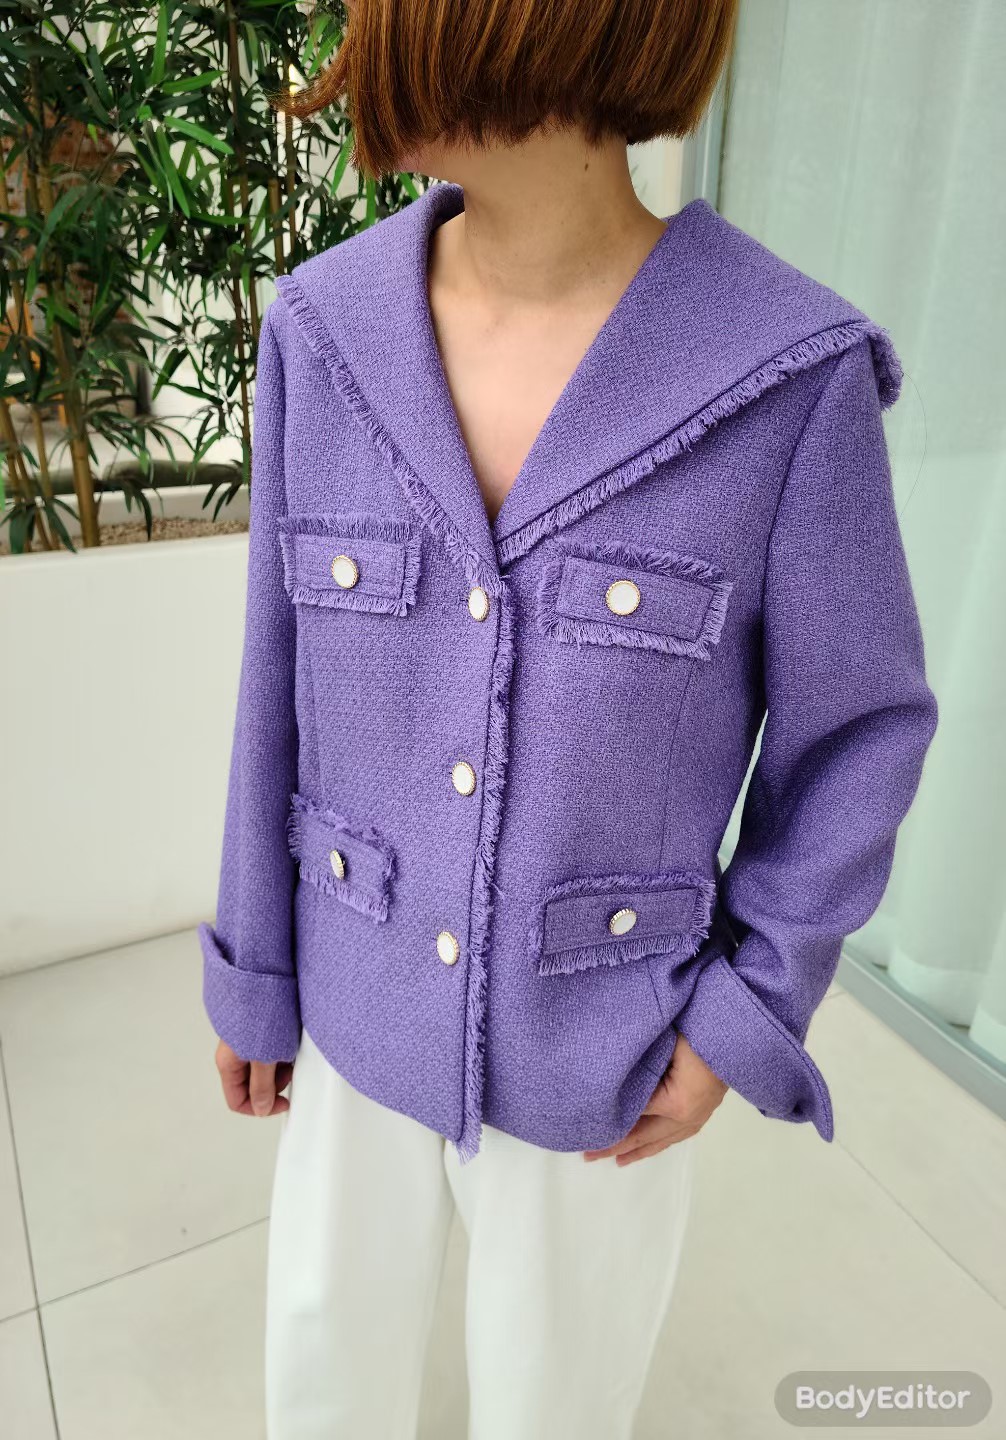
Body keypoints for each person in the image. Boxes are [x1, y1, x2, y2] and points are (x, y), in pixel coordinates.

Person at [198, 2, 939, 1437]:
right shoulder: (323, 333)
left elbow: (858, 736)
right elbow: (270, 687)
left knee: (558, 1405)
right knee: (324, 1378)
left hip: (603, 1046)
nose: (353, 52)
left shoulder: (786, 377)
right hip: (354, 1010)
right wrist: (254, 965)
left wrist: (742, 1014)